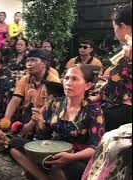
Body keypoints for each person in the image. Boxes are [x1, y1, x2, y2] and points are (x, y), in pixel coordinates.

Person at [10, 64, 105, 180]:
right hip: (49, 152)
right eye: (66, 78)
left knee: (56, 167)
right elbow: (42, 137)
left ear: (87, 85)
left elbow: (95, 148)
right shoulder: (55, 103)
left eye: (74, 79)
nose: (68, 83)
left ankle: (35, 171)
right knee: (14, 144)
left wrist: (71, 157)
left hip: (75, 158)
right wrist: (40, 123)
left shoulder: (93, 110)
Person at [90, 3, 132, 132]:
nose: (114, 31)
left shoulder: (129, 52)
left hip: (125, 111)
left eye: (114, 27)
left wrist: (98, 96)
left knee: (88, 115)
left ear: (123, 27)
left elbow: (115, 84)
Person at [4, 49, 61, 124]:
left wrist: (29, 126)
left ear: (44, 63)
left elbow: (47, 108)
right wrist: (5, 121)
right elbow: (15, 101)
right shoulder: (24, 79)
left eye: (33, 60)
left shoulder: (53, 80)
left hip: (44, 119)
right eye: (27, 61)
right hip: (27, 116)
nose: (29, 64)